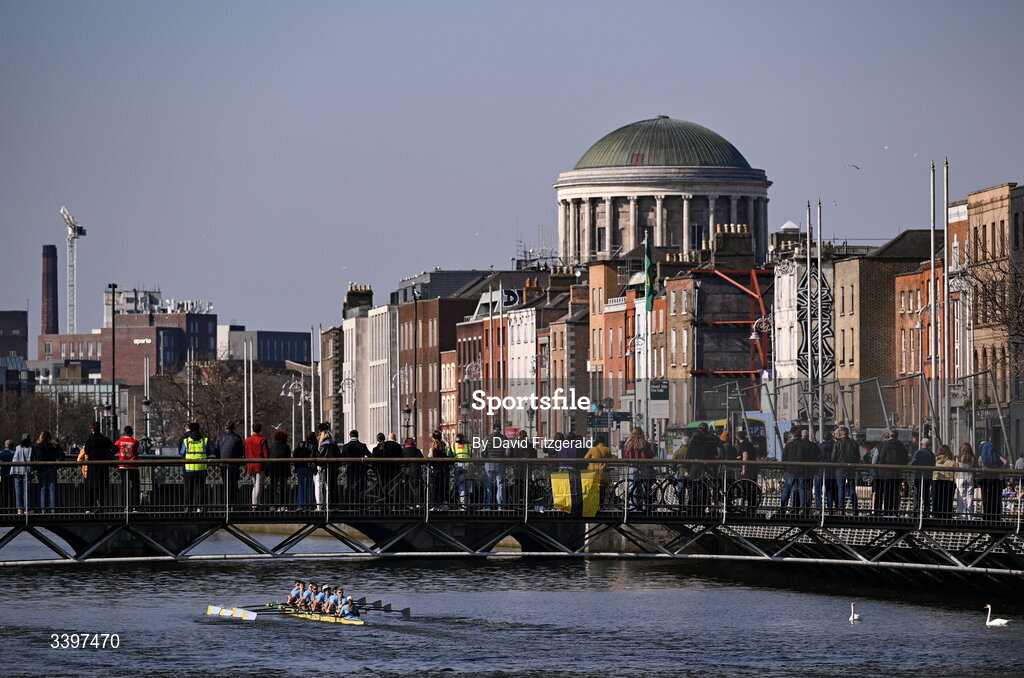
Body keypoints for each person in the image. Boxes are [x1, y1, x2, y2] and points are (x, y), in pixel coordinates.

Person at [873, 429, 909, 516]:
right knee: (896, 492)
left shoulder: (885, 445)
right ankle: (895, 511)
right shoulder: (901, 446)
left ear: (890, 436)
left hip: (886, 472)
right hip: (898, 472)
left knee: (887, 492)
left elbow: (881, 457)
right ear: (897, 436)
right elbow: (906, 459)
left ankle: (887, 511)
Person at [179, 422, 210, 512]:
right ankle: (200, 507)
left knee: (188, 489)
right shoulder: (204, 440)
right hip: (201, 468)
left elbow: (182, 452)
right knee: (200, 488)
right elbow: (209, 452)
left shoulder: (186, 441)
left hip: (189, 468)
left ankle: (188, 507)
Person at [622, 427, 654, 511]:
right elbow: (651, 455)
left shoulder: (628, 444)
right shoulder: (645, 444)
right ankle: (645, 507)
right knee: (645, 488)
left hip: (632, 467)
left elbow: (625, 455)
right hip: (644, 467)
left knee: (633, 487)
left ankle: (633, 507)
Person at [830, 426, 860, 514]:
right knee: (852, 488)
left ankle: (841, 509)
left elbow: (833, 458)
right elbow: (857, 458)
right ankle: (855, 508)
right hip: (851, 468)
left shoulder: (837, 443)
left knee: (841, 489)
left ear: (840, 434)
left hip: (840, 469)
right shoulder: (854, 443)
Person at [214, 421, 244, 505]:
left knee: (226, 484)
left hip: (223, 464)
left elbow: (216, 450)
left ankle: (227, 502)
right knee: (234, 484)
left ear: (225, 427)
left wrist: (219, 460)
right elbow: (241, 451)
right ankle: (233, 502)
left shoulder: (220, 438)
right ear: (233, 427)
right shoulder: (237, 438)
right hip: (235, 464)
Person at [33, 431, 63, 513]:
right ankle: (53, 510)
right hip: (52, 468)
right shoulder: (54, 445)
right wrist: (57, 463)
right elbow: (62, 456)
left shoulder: (38, 446)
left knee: (43, 489)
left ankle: (43, 510)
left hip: (42, 469)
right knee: (52, 489)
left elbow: (37, 457)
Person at [977, 440, 1007, 519]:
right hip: (996, 480)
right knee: (996, 499)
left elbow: (979, 466)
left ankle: (987, 515)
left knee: (986, 498)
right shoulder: (996, 456)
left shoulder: (981, 457)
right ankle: (996, 516)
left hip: (985, 480)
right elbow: (1005, 462)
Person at [779, 429, 807, 513]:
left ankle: (783, 508)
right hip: (801, 469)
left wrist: (785, 468)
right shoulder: (804, 445)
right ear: (800, 435)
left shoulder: (789, 445)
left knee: (787, 488)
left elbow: (784, 457)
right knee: (801, 488)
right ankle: (802, 508)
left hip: (790, 469)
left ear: (793, 435)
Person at [113, 425, 140, 510]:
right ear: (132, 433)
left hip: (123, 466)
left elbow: (114, 450)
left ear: (124, 433)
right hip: (134, 466)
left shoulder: (118, 442)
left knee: (124, 487)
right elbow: (140, 450)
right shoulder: (135, 442)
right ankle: (135, 507)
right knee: (135, 487)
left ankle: (124, 506)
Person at [337, 429, 367, 507]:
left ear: (350, 436)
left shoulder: (345, 446)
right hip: (361, 469)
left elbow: (342, 458)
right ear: (358, 436)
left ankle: (349, 504)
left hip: (350, 469)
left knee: (350, 486)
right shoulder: (363, 446)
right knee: (360, 487)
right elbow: (370, 455)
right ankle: (360, 504)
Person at [482, 424, 507, 510]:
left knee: (488, 485)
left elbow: (483, 451)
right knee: (500, 485)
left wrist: (485, 457)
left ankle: (488, 506)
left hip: (489, 463)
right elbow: (508, 451)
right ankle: (500, 506)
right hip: (500, 463)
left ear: (493, 429)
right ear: (500, 429)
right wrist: (505, 458)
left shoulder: (487, 438)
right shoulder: (504, 438)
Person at [908, 437, 936, 517]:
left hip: (918, 476)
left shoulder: (918, 453)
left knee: (917, 494)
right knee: (926, 494)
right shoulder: (932, 454)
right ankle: (927, 511)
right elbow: (933, 465)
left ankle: (916, 511)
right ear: (929, 445)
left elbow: (913, 463)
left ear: (921, 444)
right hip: (928, 476)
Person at [244, 423, 269, 509]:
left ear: (252, 429)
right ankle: (256, 503)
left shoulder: (247, 440)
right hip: (260, 465)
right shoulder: (262, 440)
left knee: (254, 484)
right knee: (258, 484)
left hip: (250, 465)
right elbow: (266, 454)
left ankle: (254, 503)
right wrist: (266, 464)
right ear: (260, 429)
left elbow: (245, 453)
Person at [584, 435, 613, 506]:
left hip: (594, 472)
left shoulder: (592, 449)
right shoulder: (607, 449)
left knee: (594, 489)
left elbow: (585, 458)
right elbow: (611, 459)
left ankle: (595, 504)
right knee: (602, 488)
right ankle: (602, 504)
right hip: (603, 472)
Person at [267, 429, 291, 511]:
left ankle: (272, 505)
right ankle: (283, 505)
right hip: (283, 469)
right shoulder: (286, 447)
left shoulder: (272, 446)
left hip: (273, 469)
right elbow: (289, 457)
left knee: (273, 487)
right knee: (283, 487)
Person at [292, 432, 316, 511]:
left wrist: (296, 465)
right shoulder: (313, 445)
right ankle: (308, 506)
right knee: (309, 486)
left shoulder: (301, 444)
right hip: (308, 467)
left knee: (301, 486)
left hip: (300, 467)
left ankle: (300, 505)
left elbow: (294, 453)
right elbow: (313, 456)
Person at [427, 430, 450, 508]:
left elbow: (429, 457)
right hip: (444, 469)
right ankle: (444, 503)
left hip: (436, 470)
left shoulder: (433, 448)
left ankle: (434, 504)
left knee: (434, 487)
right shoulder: (444, 446)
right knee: (443, 487)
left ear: (433, 438)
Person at [10, 436, 33, 515]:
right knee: (26, 490)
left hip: (16, 470)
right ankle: (26, 508)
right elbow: (30, 459)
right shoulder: (30, 448)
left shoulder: (17, 447)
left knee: (18, 490)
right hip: (26, 470)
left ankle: (19, 509)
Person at [933, 444, 957, 519]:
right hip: (949, 482)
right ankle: (947, 516)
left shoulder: (935, 462)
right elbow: (956, 474)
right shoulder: (952, 463)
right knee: (948, 500)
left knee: (936, 499)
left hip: (936, 481)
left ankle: (936, 515)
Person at [400, 436, 424, 505]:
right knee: (418, 486)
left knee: (406, 485)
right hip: (417, 472)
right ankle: (418, 502)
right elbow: (422, 460)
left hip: (406, 472)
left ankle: (407, 502)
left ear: (406, 443)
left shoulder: (403, 451)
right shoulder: (417, 451)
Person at [451, 433, 473, 507]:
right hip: (469, 465)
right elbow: (471, 454)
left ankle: (463, 505)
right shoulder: (468, 445)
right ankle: (468, 503)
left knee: (461, 485)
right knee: (468, 485)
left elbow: (450, 455)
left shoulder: (453, 446)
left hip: (458, 465)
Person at [955, 443, 976, 518]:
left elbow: (957, 467)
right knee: (969, 497)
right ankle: (970, 516)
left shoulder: (958, 458)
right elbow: (975, 467)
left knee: (961, 496)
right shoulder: (972, 458)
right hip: (970, 477)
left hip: (960, 478)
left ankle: (962, 516)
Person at [0, 439, 14, 509]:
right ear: (11, 446)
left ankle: (3, 507)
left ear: (5, 445)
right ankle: (11, 508)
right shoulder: (13, 453)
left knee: (3, 493)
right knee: (11, 493)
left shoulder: (0, 453)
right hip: (11, 475)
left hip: (2, 475)